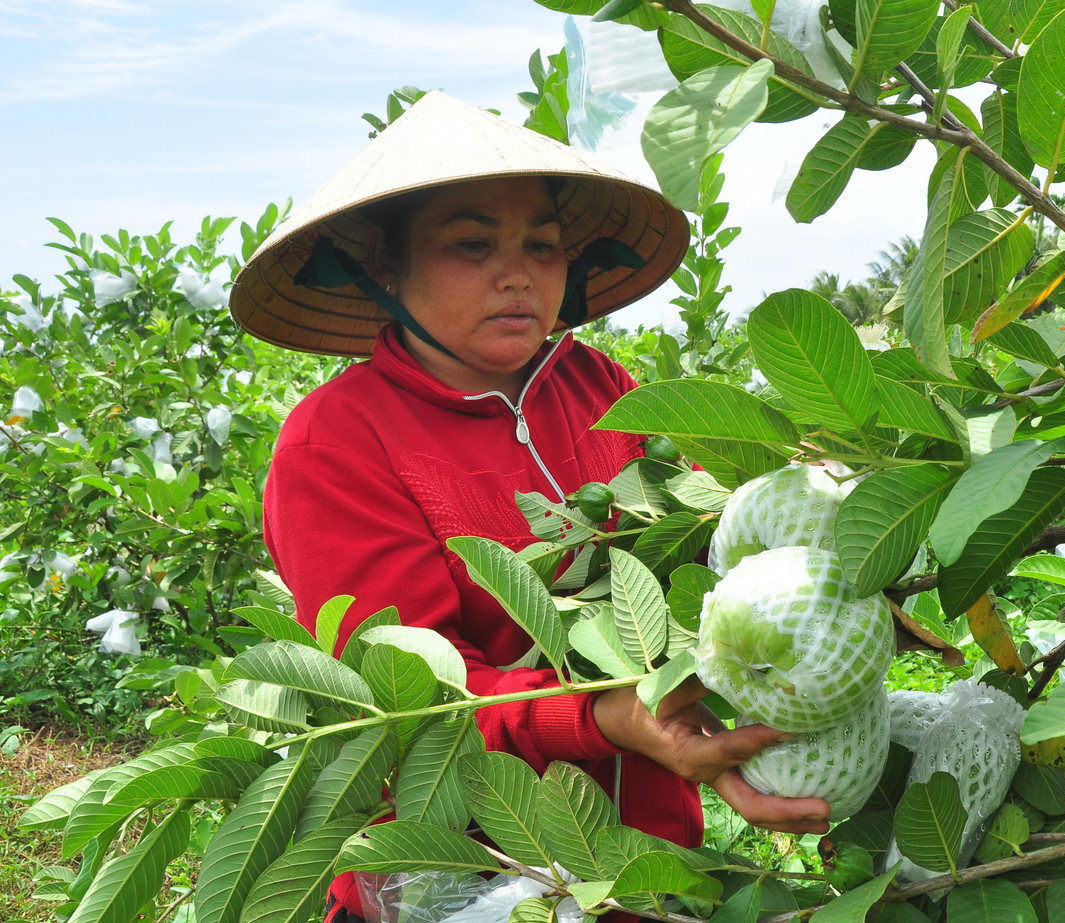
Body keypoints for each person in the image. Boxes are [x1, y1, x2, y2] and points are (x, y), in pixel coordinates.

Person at [229, 92, 830, 923]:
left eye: (541, 246)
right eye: (472, 245)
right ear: (384, 261)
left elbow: (712, 561)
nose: (517, 275)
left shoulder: (601, 387)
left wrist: (833, 560)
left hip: (649, 867)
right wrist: (602, 715)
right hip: (463, 874)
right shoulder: (335, 442)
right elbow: (417, 703)